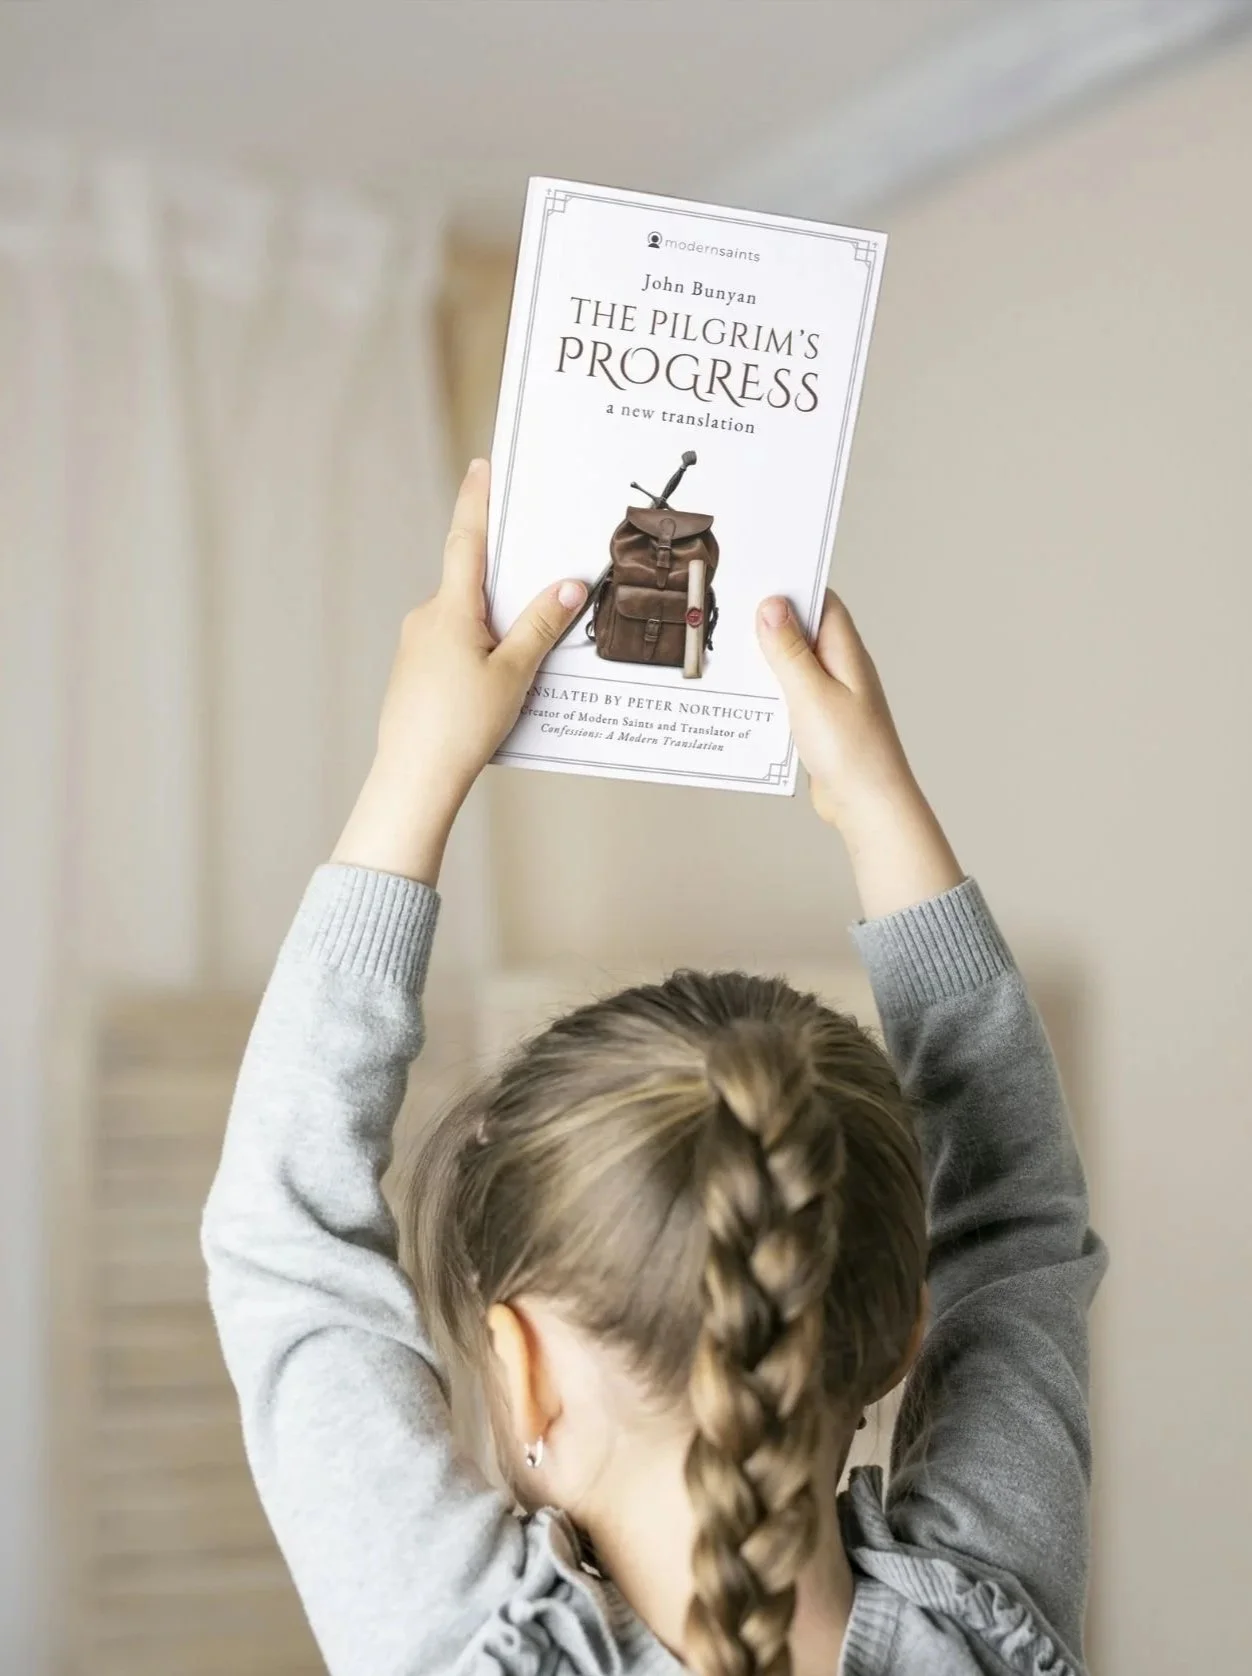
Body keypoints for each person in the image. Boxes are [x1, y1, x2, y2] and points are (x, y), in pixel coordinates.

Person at [201, 460, 1107, 1676]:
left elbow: (282, 1243)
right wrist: (874, 797)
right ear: (897, 1334)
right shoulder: (989, 1630)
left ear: (524, 1377)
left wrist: (415, 766)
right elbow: (1021, 1228)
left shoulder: (471, 1648)